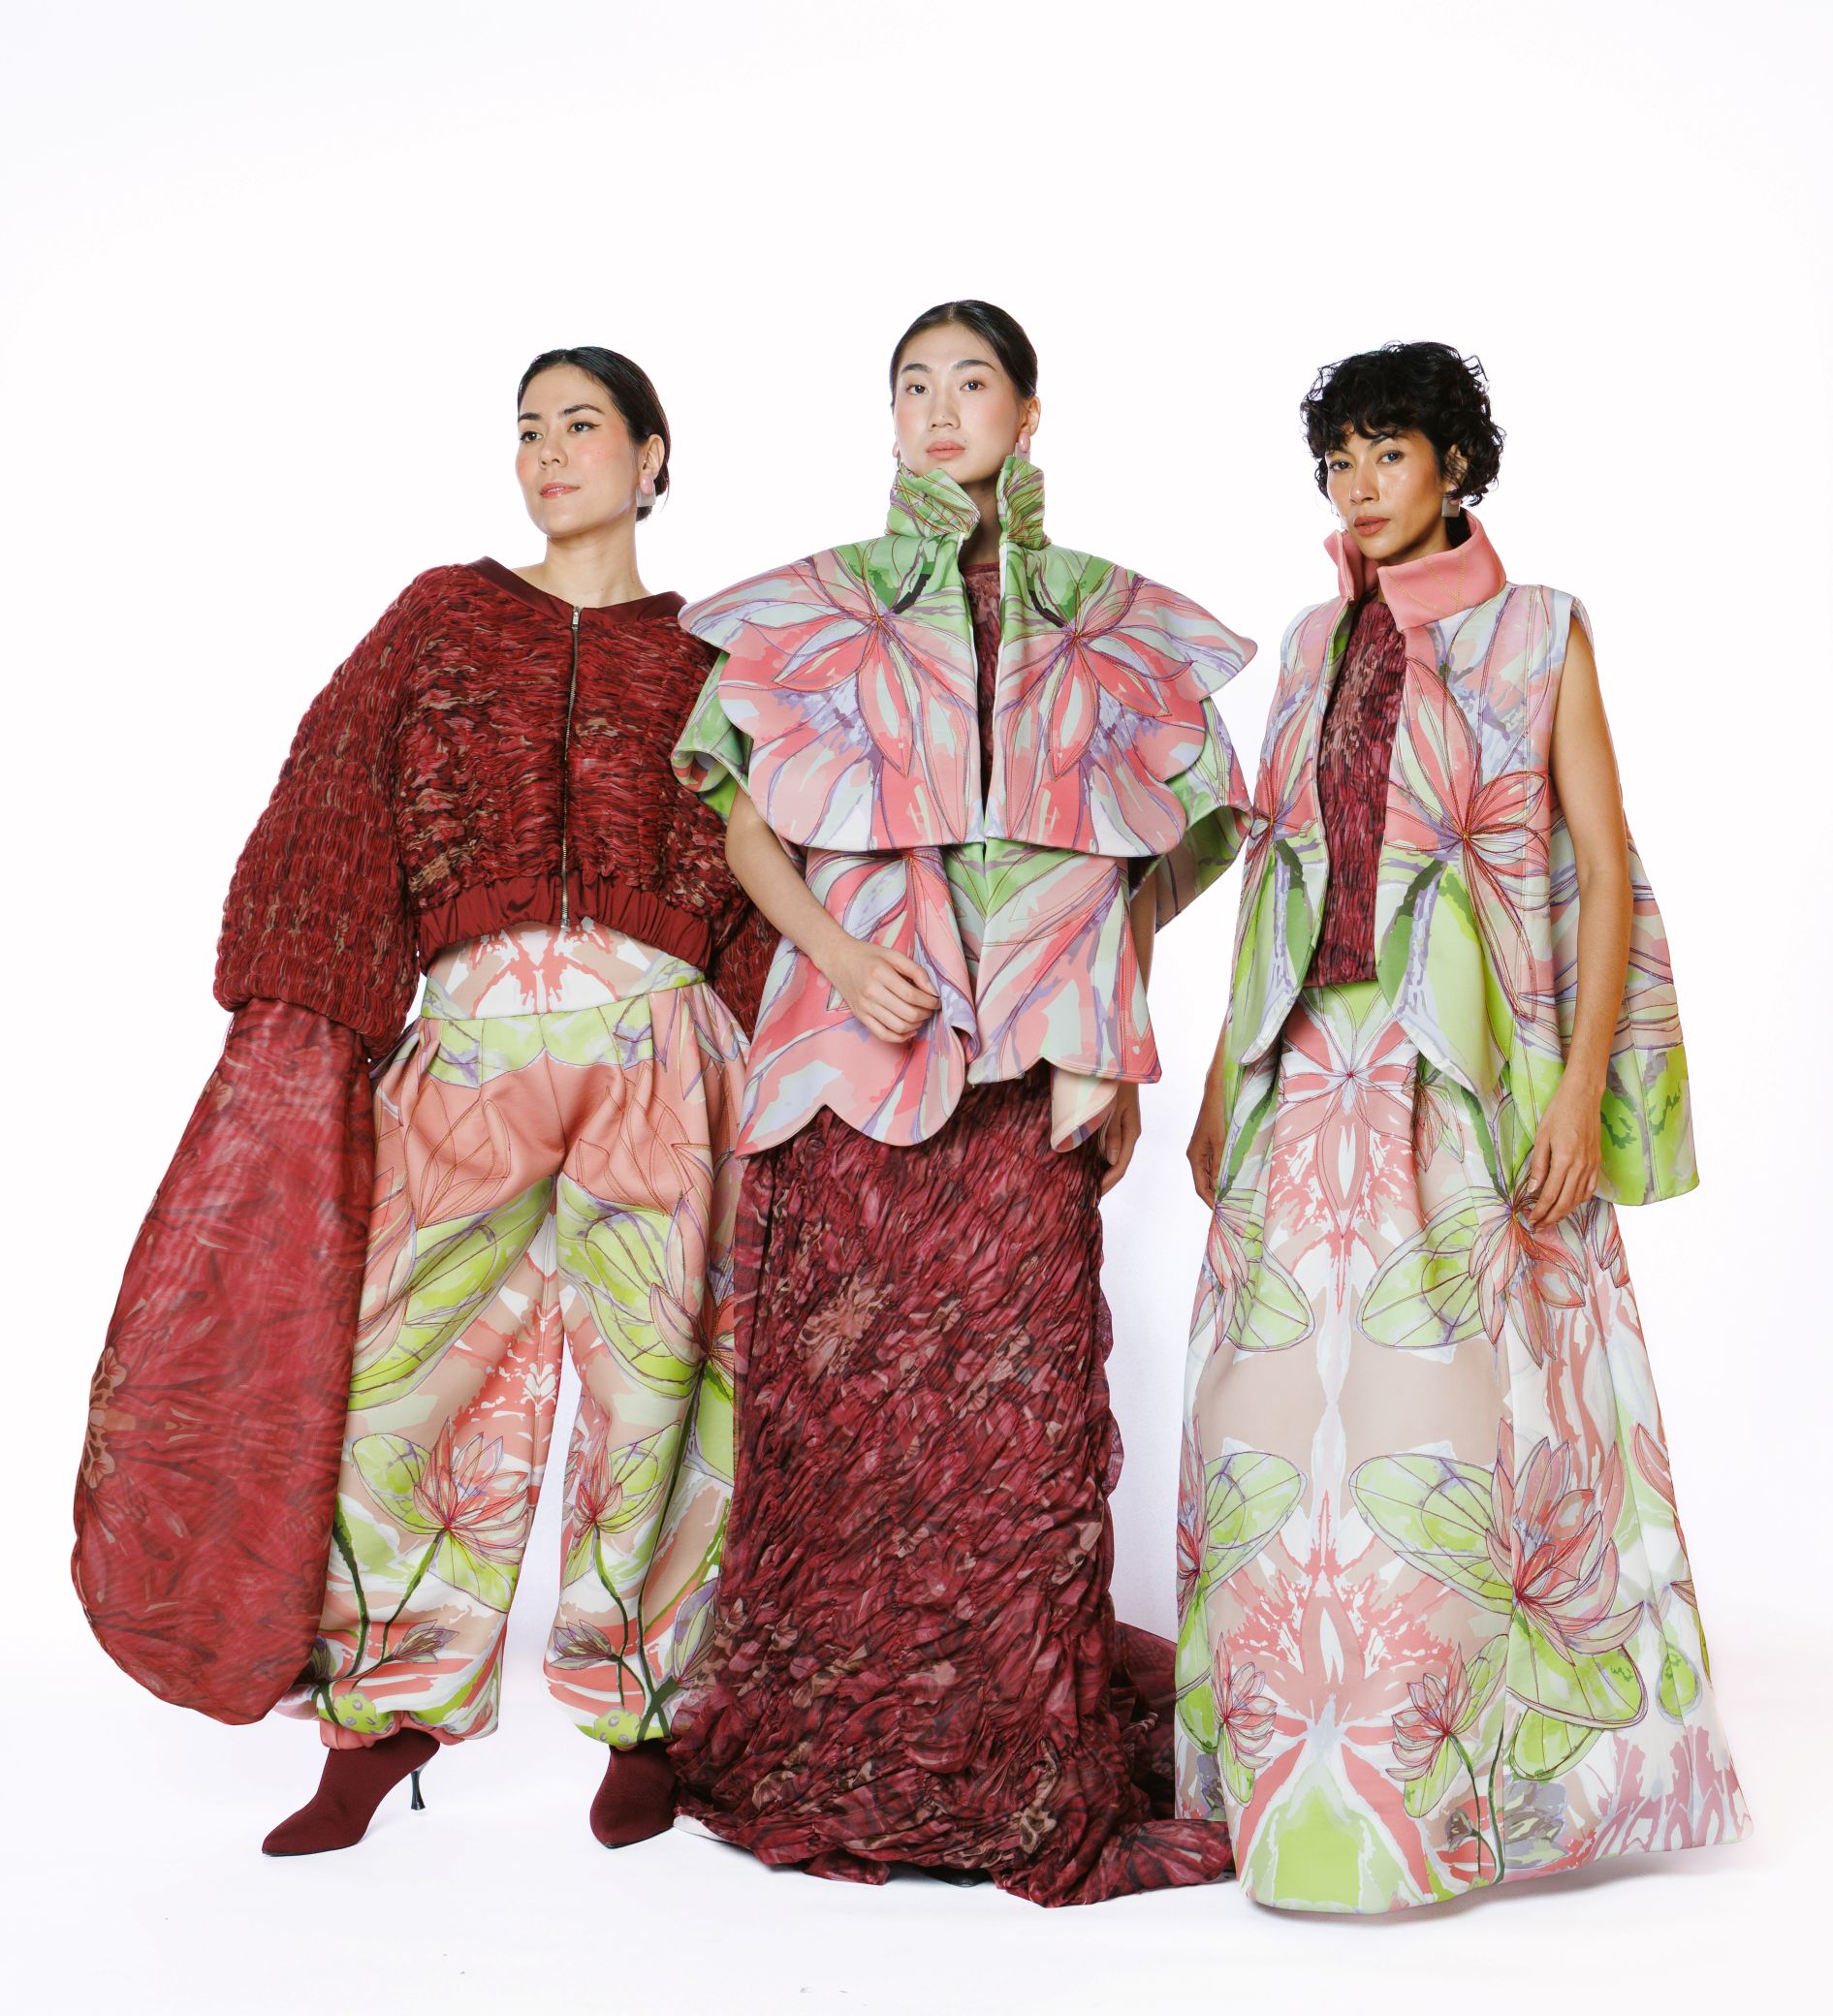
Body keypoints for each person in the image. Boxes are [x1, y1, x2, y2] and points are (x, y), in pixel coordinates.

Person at [74, 346, 774, 1855]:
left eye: (581, 426)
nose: (549, 453)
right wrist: (319, 1006)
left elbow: (776, 849)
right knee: (405, 1379)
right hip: (468, 1043)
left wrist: (788, 1040)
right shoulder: (440, 616)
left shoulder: (719, 650)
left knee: (659, 1386)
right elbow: (333, 789)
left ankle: (645, 1712)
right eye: (527, 430)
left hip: (663, 1042)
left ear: (653, 457)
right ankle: (386, 1710)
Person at [666, 300, 1252, 1905]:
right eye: (913, 384)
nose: (939, 409)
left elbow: (1155, 854)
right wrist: (839, 957)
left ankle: (1007, 1751)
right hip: (847, 1060)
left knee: (1017, 1418)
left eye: (971, 382)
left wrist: (1106, 1030)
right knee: (847, 1412)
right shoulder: (819, 607)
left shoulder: (1110, 622)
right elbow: (743, 820)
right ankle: (839, 1744)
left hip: (1027, 1076)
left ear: (1028, 412)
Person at [1176, 340, 1750, 1910]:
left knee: (1448, 1438)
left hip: (1467, 1078)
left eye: (1390, 455)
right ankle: (1299, 1795)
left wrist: (1576, 1090)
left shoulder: (1537, 630)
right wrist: (1224, 1074)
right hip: (1309, 1076)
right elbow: (1276, 870)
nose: (1361, 488)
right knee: (1273, 1436)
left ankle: (1460, 1802)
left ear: (1455, 468)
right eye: (1340, 462)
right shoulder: (1311, 645)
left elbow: (1603, 865)